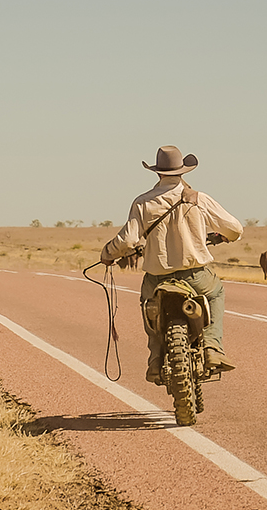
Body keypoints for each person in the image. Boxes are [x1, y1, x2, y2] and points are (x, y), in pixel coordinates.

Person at [100, 146, 244, 384]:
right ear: (182, 172)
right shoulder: (199, 198)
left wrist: (107, 254)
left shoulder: (142, 202)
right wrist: (228, 236)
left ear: (157, 173)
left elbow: (128, 240)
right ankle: (212, 348)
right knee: (216, 292)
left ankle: (155, 359)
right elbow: (235, 228)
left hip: (158, 279)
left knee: (149, 306)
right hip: (196, 277)